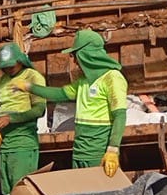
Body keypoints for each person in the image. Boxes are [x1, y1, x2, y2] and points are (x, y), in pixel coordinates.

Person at [12, 29, 127, 176]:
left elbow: (120, 115)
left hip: (98, 152)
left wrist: (113, 149)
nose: (74, 61)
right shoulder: (84, 82)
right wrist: (29, 87)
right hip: (80, 151)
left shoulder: (113, 78)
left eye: (74, 55)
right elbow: (60, 94)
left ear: (86, 54)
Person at [0, 42, 46, 194]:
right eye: (4, 67)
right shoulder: (4, 80)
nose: (7, 69)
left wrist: (11, 118)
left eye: (11, 66)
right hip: (5, 146)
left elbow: (39, 110)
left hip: (23, 144)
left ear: (20, 61)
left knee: (21, 192)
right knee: (7, 192)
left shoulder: (33, 77)